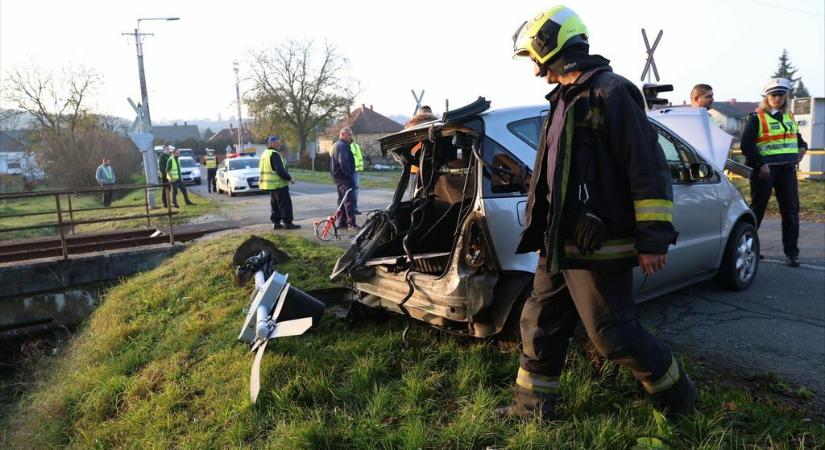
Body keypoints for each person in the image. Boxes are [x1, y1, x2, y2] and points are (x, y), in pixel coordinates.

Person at [499, 6, 696, 420]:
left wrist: (653, 237)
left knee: (613, 337)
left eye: (534, 58)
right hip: (558, 242)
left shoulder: (612, 92)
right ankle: (529, 409)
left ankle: (677, 397)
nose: (535, 70)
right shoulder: (564, 98)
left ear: (550, 45)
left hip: (599, 246)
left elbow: (646, 168)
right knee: (540, 324)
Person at [740, 78, 807, 267]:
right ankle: (748, 247)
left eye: (781, 95)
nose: (777, 98)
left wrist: (802, 149)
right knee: (757, 209)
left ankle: (791, 253)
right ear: (767, 97)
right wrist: (761, 164)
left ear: (785, 97)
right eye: (773, 95)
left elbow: (798, 139)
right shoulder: (756, 117)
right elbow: (746, 145)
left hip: (786, 169)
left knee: (791, 211)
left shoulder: (789, 116)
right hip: (765, 171)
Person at [260, 135, 300, 230]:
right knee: (285, 204)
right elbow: (279, 170)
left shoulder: (264, 154)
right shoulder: (274, 154)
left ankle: (276, 223)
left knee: (275, 204)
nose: (279, 144)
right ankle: (288, 223)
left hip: (271, 185)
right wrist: (289, 178)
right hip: (279, 184)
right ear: (271, 143)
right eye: (277, 142)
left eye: (279, 142)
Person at [404, 106, 438, 198]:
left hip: (415, 170)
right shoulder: (436, 126)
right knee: (432, 196)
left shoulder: (410, 127)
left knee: (414, 197)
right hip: (432, 170)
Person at [330, 127, 358, 230]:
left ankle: (342, 223)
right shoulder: (342, 146)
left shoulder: (339, 145)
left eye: (351, 134)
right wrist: (349, 176)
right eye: (349, 135)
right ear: (342, 135)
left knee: (342, 200)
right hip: (344, 177)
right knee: (349, 200)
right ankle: (351, 224)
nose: (351, 137)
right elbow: (343, 162)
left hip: (338, 176)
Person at [350, 138, 364, 214]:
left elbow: (360, 158)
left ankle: (354, 208)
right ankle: (346, 210)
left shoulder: (355, 146)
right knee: (347, 191)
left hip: (355, 171)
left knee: (355, 190)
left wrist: (360, 168)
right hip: (346, 171)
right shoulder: (341, 145)